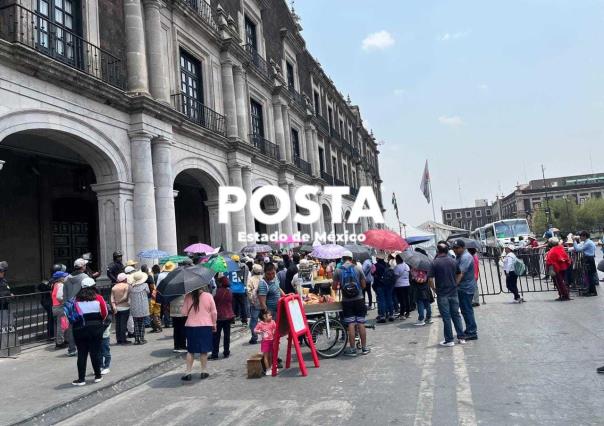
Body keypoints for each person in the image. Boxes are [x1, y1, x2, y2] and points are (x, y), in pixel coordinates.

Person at [67, 277, 108, 386]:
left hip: (79, 329)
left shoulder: (75, 300)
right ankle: (98, 376)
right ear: (93, 286)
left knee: (82, 353)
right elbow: (105, 313)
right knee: (95, 352)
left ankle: (81, 379)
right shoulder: (98, 298)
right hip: (96, 328)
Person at [332, 250, 370, 356]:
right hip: (359, 299)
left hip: (346, 301)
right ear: (351, 258)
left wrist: (343, 286)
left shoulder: (338, 270)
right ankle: (364, 348)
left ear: (343, 258)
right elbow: (363, 285)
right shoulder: (358, 268)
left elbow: (334, 287)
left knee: (351, 324)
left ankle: (352, 349)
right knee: (361, 323)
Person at [429, 242, 466, 347]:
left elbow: (430, 279)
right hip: (453, 292)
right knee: (456, 315)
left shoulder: (434, 263)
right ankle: (461, 337)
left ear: (438, 251)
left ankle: (449, 340)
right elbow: (459, 274)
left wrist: (434, 289)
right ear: (447, 251)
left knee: (446, 317)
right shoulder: (453, 261)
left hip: (442, 293)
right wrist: (455, 283)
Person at [180, 287, 217, 381]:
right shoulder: (208, 296)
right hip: (205, 325)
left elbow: (183, 312)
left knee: (190, 350)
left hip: (191, 326)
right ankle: (204, 371)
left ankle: (188, 372)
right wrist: (214, 323)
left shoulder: (188, 296)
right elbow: (214, 312)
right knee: (203, 350)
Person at [63, 258, 91, 356]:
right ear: (83, 267)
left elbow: (64, 294)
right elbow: (88, 291)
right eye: (85, 265)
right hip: (82, 304)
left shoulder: (66, 278)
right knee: (84, 326)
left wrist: (66, 305)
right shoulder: (85, 277)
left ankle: (71, 349)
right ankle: (84, 347)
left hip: (69, 305)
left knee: (71, 327)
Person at [452, 240, 478, 341]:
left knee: (467, 310)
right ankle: (469, 330)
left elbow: (461, 273)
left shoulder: (466, 257)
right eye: (454, 248)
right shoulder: (459, 256)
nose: (455, 250)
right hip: (462, 288)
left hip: (466, 288)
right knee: (465, 310)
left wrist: (454, 285)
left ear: (463, 247)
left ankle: (472, 332)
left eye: (457, 248)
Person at [211, 276, 234, 359]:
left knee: (216, 336)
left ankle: (215, 353)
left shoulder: (216, 292)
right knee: (227, 335)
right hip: (228, 316)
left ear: (220, 283)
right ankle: (226, 352)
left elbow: (213, 303)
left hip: (218, 316)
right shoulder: (230, 292)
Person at [128, 270, 150, 345]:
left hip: (134, 306)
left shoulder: (131, 287)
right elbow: (148, 292)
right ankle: (142, 339)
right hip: (143, 306)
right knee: (142, 323)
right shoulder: (145, 285)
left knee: (136, 323)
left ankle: (136, 339)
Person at [573, 231, 598, 296]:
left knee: (590, 276)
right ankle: (590, 290)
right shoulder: (589, 242)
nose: (580, 238)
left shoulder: (588, 243)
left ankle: (593, 292)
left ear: (584, 236)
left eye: (581, 236)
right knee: (589, 276)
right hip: (590, 258)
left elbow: (578, 249)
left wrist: (574, 241)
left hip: (588, 259)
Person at [254, 309, 277, 375]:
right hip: (265, 342)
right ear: (264, 316)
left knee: (271, 355)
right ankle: (268, 369)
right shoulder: (260, 324)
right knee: (266, 356)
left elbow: (275, 328)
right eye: (270, 315)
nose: (271, 316)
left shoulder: (272, 322)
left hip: (272, 340)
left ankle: (271, 366)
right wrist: (260, 332)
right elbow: (255, 330)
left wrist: (274, 331)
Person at [246, 264, 265, 344]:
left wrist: (251, 301)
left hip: (255, 304)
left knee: (254, 321)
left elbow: (248, 291)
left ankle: (254, 337)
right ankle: (266, 335)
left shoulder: (251, 279)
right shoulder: (263, 278)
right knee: (265, 320)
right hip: (264, 302)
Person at [373, 254, 394, 323]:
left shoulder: (375, 266)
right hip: (388, 285)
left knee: (381, 300)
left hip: (379, 285)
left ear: (378, 258)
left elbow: (372, 274)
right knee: (389, 299)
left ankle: (382, 316)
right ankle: (391, 314)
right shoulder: (387, 265)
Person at [51, 271, 69, 349]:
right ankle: (60, 343)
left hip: (55, 307)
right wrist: (65, 300)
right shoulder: (61, 285)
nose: (65, 278)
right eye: (64, 276)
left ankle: (60, 340)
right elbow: (59, 297)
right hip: (60, 307)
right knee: (61, 326)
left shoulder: (54, 285)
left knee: (59, 325)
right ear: (60, 278)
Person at [111, 273, 131, 344]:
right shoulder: (127, 286)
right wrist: (118, 302)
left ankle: (118, 339)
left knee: (118, 324)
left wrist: (114, 306)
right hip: (125, 307)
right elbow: (125, 297)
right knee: (123, 324)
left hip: (116, 308)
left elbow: (112, 298)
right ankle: (123, 340)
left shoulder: (114, 287)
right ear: (125, 279)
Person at [141, 264, 161, 332]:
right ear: (146, 270)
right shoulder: (149, 276)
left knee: (151, 313)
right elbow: (152, 286)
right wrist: (153, 294)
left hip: (144, 297)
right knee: (153, 313)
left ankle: (157, 327)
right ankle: (157, 327)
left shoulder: (141, 277)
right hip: (150, 296)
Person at [229, 255, 249, 326]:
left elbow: (226, 278)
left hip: (232, 290)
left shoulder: (229, 268)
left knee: (232, 306)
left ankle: (232, 322)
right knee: (243, 306)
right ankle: (244, 321)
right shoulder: (242, 268)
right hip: (241, 290)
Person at [393, 254, 411, 319]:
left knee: (401, 299)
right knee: (407, 298)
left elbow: (395, 277)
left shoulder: (397, 267)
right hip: (407, 284)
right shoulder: (407, 266)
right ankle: (408, 312)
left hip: (399, 285)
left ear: (398, 259)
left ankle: (402, 313)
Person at [0, 261, 13, 332]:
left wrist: (10, 294)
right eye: (1, 272)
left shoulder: (4, 280)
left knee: (6, 326)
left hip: (5, 304)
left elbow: (6, 289)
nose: (2, 273)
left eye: (3, 272)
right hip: (0, 305)